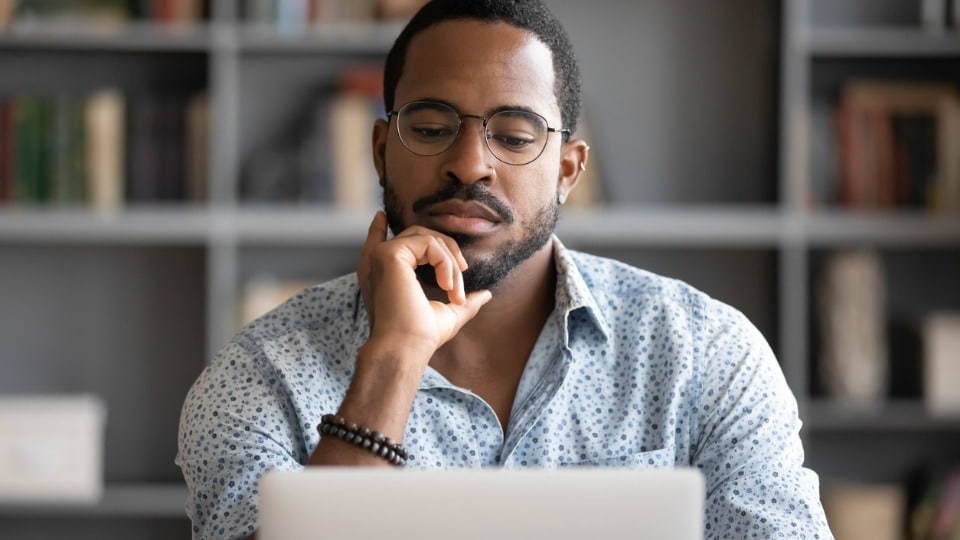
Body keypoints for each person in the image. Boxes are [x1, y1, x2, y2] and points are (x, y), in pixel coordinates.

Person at [177, 1, 833, 538]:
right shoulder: (257, 378)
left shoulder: (706, 355)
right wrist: (392, 363)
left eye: (515, 136)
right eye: (432, 128)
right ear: (381, 151)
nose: (469, 163)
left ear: (569, 170)